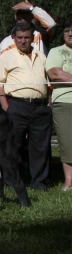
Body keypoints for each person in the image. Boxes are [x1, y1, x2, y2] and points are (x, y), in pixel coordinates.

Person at [0, 21, 51, 191]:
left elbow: (48, 82)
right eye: (19, 38)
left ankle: (39, 182)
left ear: (33, 38)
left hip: (40, 106)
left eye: (27, 37)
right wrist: (5, 106)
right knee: (12, 145)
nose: (23, 41)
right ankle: (11, 181)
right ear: (14, 38)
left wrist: (48, 102)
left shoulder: (41, 56)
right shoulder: (6, 56)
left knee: (40, 146)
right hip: (16, 105)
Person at [45, 16, 72, 191]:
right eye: (66, 31)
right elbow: (55, 74)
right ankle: (69, 181)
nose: (70, 34)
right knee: (68, 141)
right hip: (64, 101)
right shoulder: (56, 51)